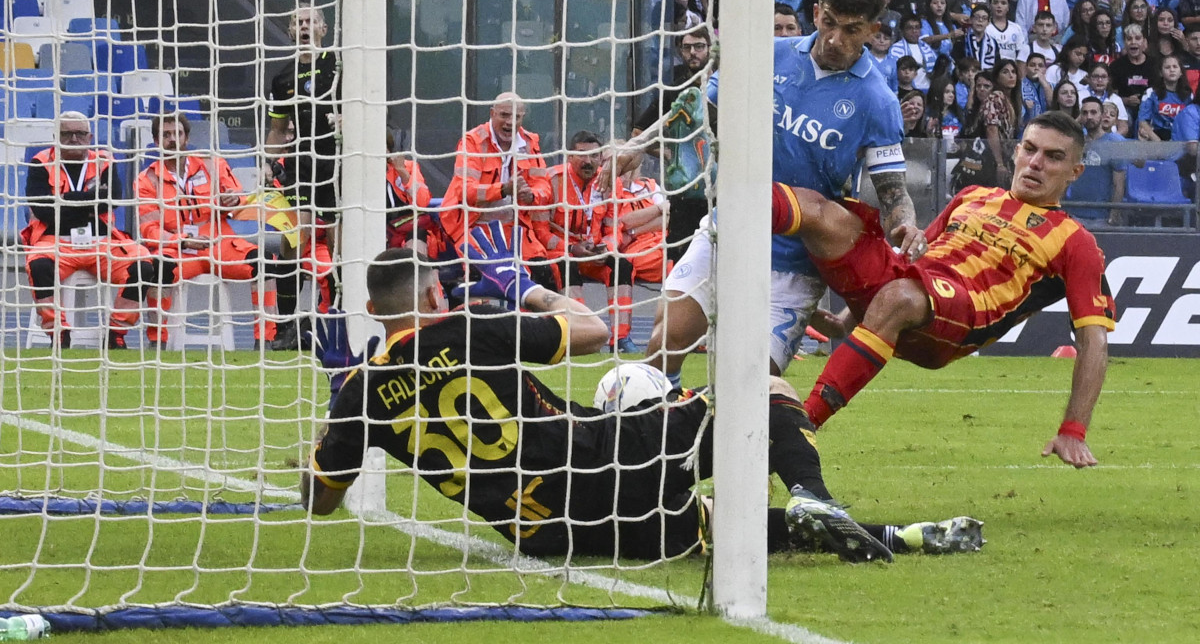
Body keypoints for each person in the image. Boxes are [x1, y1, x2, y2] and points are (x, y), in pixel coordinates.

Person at [300, 230, 984, 561]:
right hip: (596, 458)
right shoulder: (467, 325)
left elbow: (322, 500)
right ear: (430, 294)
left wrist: (330, 423)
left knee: (703, 525)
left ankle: (906, 536)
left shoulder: (357, 397)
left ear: (367, 307)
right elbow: (595, 329)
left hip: (545, 532)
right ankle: (813, 492)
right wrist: (527, 286)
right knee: (762, 387)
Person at [770, 111, 1117, 467]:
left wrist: (1073, 430)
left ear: (1075, 172)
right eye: (1030, 149)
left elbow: (1093, 341)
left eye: (1054, 157)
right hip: (913, 292)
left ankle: (799, 426)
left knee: (899, 297)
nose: (1036, 163)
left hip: (961, 317)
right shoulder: (972, 196)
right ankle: (726, 217)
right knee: (820, 211)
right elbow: (915, 261)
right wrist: (846, 321)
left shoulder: (1078, 243)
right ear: (1016, 152)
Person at [645, 0, 922, 385]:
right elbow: (698, 112)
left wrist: (905, 224)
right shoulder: (768, 54)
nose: (834, 39)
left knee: (752, 388)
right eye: (829, 23)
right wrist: (637, 146)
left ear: (872, 31)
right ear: (815, 12)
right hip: (728, 230)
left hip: (796, 262)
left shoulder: (877, 101)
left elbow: (892, 190)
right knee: (662, 351)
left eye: (851, 30)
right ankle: (655, 440)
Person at [136, 112, 284, 346]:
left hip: (218, 243)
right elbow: (149, 230)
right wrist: (183, 240)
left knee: (264, 262)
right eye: (166, 135)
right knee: (156, 269)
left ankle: (265, 339)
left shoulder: (212, 164)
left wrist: (233, 201)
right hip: (179, 249)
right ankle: (158, 342)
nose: (172, 139)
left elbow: (238, 200)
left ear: (187, 138)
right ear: (156, 141)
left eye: (177, 134)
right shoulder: (146, 180)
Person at [21, 111, 164, 350]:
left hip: (102, 241)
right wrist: (91, 201)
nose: (74, 139)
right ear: (56, 136)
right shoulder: (40, 162)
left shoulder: (105, 159)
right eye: (67, 134)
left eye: (80, 133)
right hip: (54, 241)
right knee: (38, 266)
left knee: (143, 264)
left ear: (90, 137)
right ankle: (58, 332)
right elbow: (43, 209)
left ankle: (116, 331)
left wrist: (64, 201)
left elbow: (112, 200)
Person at [266, 3, 341, 350]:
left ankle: (338, 318)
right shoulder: (282, 78)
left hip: (338, 165)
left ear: (324, 29)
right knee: (293, 238)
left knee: (339, 244)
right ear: (291, 31)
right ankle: (284, 326)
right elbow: (278, 129)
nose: (305, 27)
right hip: (301, 165)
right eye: (298, 22)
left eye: (311, 21)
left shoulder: (339, 66)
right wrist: (268, 161)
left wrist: (345, 122)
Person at [440, 92, 558, 290]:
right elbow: (465, 191)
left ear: (523, 117)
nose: (510, 122)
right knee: (482, 277)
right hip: (474, 225)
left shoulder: (530, 143)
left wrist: (532, 195)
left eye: (516, 117)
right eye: (504, 115)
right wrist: (503, 190)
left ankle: (538, 322)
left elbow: (543, 185)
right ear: (492, 113)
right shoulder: (472, 142)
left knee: (544, 274)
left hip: (515, 226)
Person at [546, 130, 639, 353]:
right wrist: (569, 248)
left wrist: (605, 249)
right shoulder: (553, 180)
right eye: (581, 155)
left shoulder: (611, 183)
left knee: (622, 264)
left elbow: (613, 227)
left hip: (594, 253)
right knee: (566, 265)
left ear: (601, 158)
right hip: (559, 253)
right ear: (569, 156)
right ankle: (582, 335)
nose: (588, 161)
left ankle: (621, 338)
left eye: (594, 155)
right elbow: (540, 231)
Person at [631, 29, 713, 262]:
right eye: (687, 48)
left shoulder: (723, 86)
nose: (693, 53)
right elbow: (638, 133)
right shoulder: (673, 91)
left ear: (710, 49)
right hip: (685, 192)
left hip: (720, 187)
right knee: (683, 256)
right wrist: (667, 153)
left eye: (699, 46)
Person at [1065, 96, 1128, 225]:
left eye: (1093, 112)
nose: (1089, 117)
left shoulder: (1114, 143)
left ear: (1101, 115)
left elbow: (1119, 184)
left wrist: (1114, 214)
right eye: (1085, 113)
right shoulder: (1075, 142)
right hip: (1073, 214)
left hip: (1101, 217)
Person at [384, 131, 442, 256]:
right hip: (381, 232)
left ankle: (421, 273)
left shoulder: (407, 167)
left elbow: (423, 201)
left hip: (411, 230)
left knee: (418, 237)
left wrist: (402, 172)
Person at [1138, 52, 1194, 140]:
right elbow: (1143, 121)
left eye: (1175, 67)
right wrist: (1156, 141)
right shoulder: (1151, 93)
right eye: (1167, 67)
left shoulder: (1189, 95)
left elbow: (1192, 121)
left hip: (1181, 137)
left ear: (1181, 73)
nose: (1172, 70)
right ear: (1161, 73)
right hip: (1157, 136)